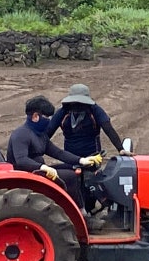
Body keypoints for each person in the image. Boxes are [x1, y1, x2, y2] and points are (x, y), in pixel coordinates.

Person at [7, 95, 104, 228]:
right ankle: (81, 218)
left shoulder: (40, 135)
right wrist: (43, 167)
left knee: (73, 168)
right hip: (26, 174)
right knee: (70, 176)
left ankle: (84, 209)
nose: (49, 121)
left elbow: (58, 152)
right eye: (47, 117)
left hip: (37, 170)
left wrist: (82, 160)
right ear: (35, 116)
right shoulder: (21, 134)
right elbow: (21, 160)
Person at [47, 83, 132, 158]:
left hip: (93, 156)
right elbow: (49, 131)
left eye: (80, 103)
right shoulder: (63, 112)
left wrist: (120, 149)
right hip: (70, 157)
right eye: (75, 103)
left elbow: (108, 129)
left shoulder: (95, 110)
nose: (78, 105)